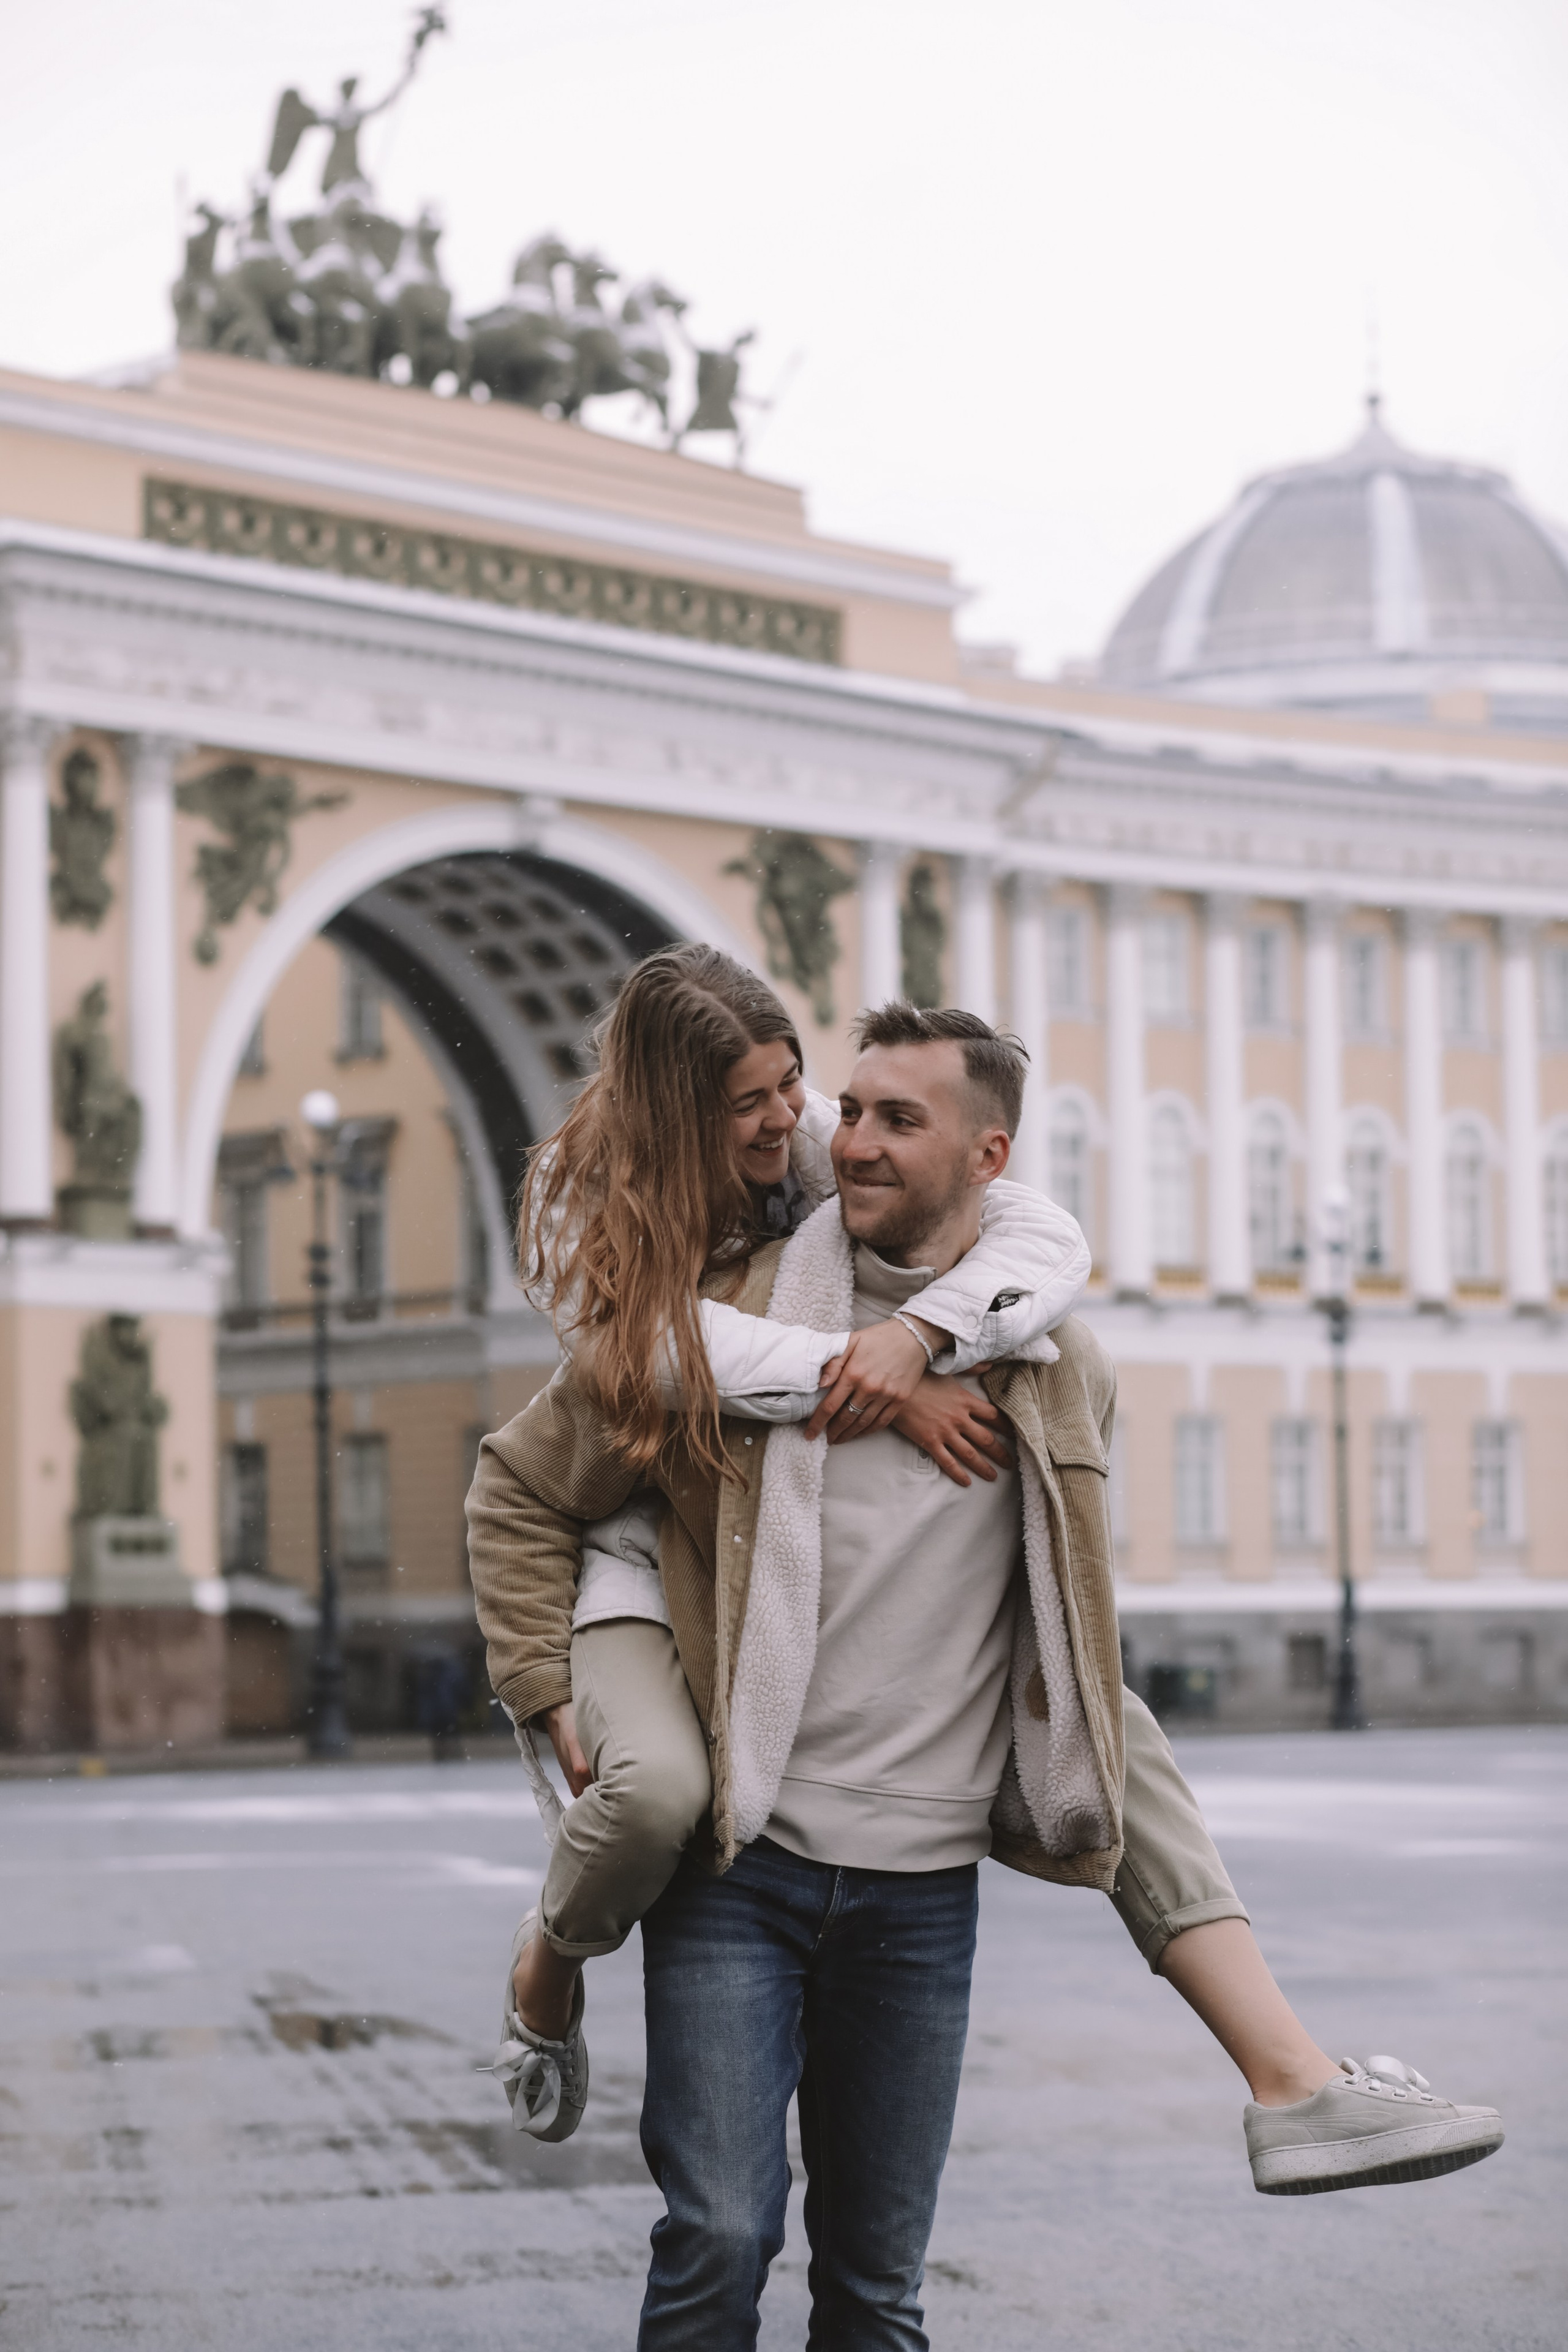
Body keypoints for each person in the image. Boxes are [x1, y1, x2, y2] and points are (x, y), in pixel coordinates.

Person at [470, 976, 1502, 2343]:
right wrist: (548, 1685)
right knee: (717, 2243)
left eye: (875, 1112)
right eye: (824, 1110)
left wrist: (916, 1338)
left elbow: (1061, 1623)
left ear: (987, 1156)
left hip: (915, 1897)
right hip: (742, 1861)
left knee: (878, 2294)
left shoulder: (1056, 1359)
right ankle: (550, 1955)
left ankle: (1291, 2079)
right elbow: (541, 1468)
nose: (828, 1135)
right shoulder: (699, 1311)